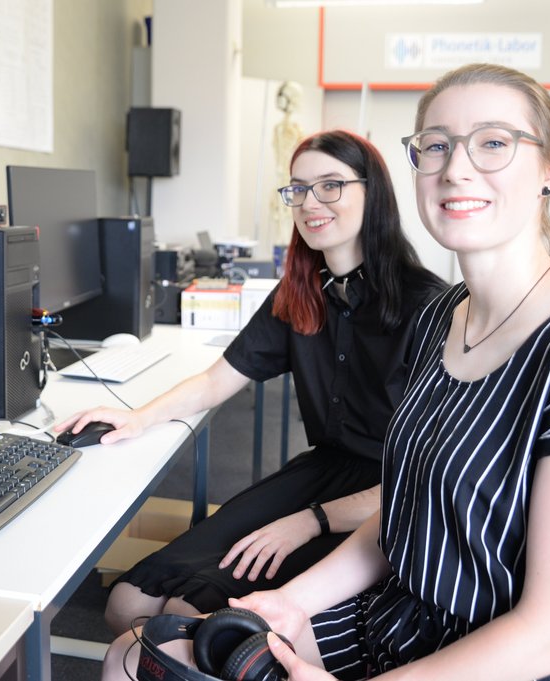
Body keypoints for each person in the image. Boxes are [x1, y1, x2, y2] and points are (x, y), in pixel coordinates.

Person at [102, 63, 550, 681]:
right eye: (436, 145)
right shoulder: (444, 321)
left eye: (494, 143)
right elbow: (405, 513)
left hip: (497, 659)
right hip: (397, 619)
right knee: (134, 654)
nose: (456, 167)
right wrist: (290, 604)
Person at [56, 129, 446, 635]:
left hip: (383, 497)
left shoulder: (430, 306)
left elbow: (428, 479)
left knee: (189, 622)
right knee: (126, 604)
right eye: (298, 189)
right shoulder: (302, 293)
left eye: (331, 185)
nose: (310, 203)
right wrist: (136, 417)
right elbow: (216, 381)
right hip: (317, 473)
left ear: (373, 195)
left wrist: (311, 520)